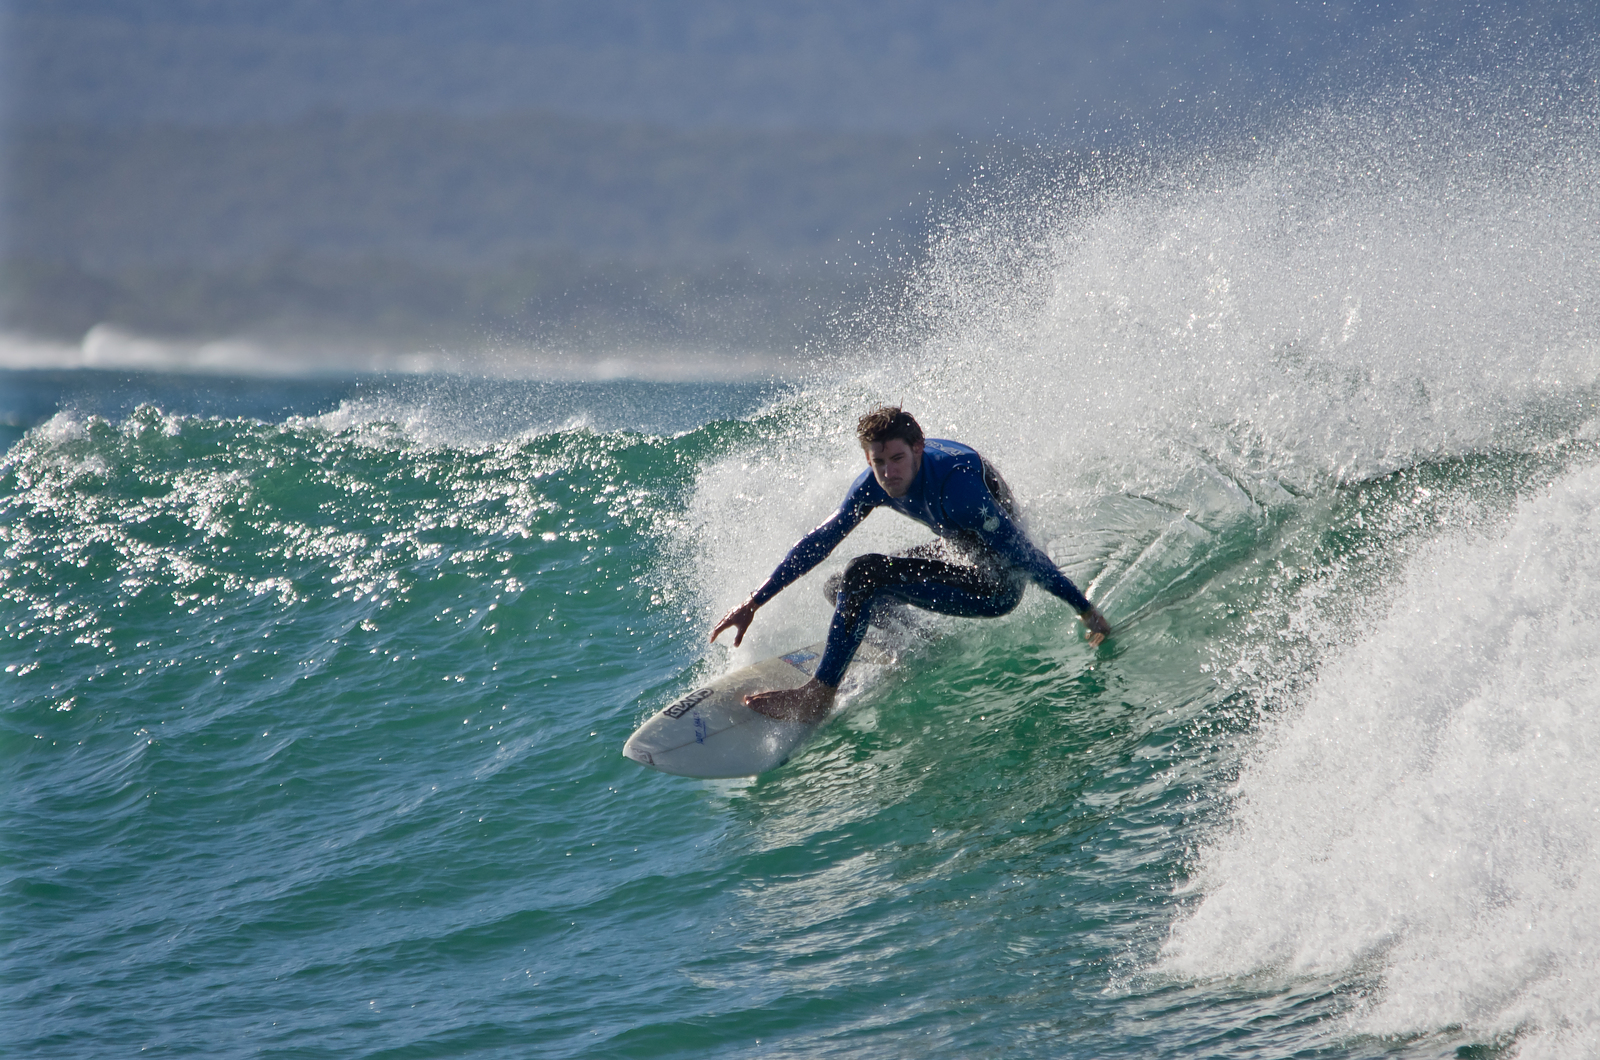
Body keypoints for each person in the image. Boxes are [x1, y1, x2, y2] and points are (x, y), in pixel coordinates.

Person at [711, 406, 1111, 723]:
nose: (888, 473)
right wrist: (754, 602)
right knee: (841, 587)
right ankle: (922, 645)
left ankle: (818, 696)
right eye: (878, 462)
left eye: (897, 459)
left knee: (864, 575)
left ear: (918, 447)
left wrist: (1085, 609)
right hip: (959, 550)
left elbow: (1024, 557)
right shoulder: (875, 482)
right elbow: (820, 541)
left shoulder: (960, 491)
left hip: (997, 585)